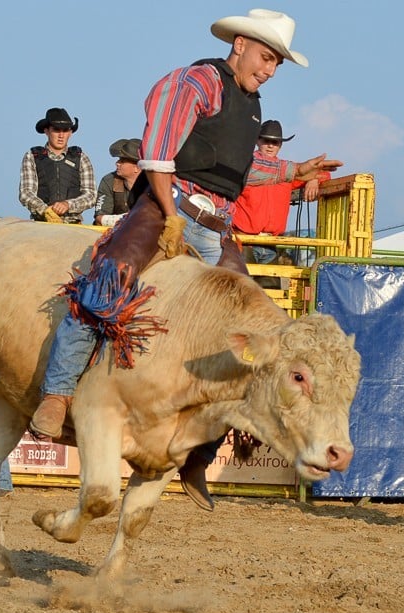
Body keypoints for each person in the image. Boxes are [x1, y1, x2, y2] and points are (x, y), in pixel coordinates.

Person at [29, 8, 340, 513]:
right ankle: (57, 393)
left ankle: (199, 450)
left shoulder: (250, 104)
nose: (269, 70)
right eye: (266, 57)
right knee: (108, 279)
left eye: (277, 63)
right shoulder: (196, 81)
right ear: (240, 45)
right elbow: (157, 153)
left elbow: (242, 165)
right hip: (166, 205)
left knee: (250, 326)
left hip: (216, 224)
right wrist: (171, 216)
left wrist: (294, 169)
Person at [232, 119, 330, 266]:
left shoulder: (286, 173)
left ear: (280, 145)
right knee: (242, 286)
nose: (271, 145)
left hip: (270, 243)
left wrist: (313, 180)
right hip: (243, 242)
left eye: (275, 142)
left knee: (270, 286)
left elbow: (323, 173)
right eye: (266, 140)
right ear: (257, 141)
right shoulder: (244, 166)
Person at [18, 107, 96, 223]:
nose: (61, 135)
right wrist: (45, 210)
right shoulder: (32, 156)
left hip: (73, 223)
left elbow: (91, 195)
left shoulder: (81, 157)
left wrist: (68, 204)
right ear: (47, 131)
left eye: (65, 130)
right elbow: (26, 193)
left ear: (70, 133)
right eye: (56, 130)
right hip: (41, 222)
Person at [93, 138, 142, 227]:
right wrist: (128, 219)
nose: (117, 163)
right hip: (114, 235)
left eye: (122, 161)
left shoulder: (153, 184)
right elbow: (99, 219)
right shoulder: (109, 181)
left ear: (137, 167)